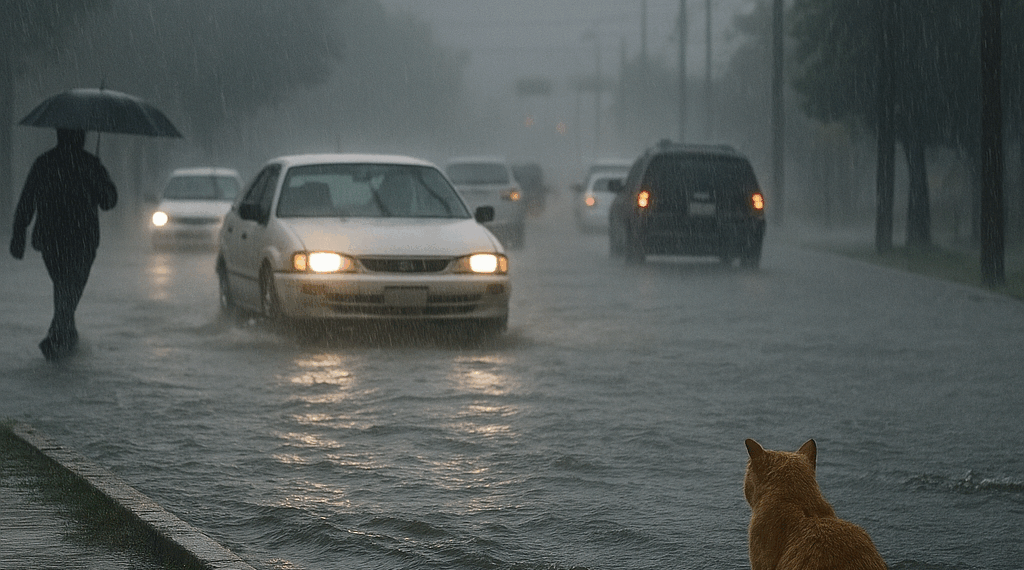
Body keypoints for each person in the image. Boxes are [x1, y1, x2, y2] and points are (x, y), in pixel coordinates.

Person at [8, 128, 117, 361]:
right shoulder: (89, 164)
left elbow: (27, 200)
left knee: (64, 288)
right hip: (81, 240)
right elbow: (109, 202)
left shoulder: (45, 163)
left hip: (53, 239)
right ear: (80, 137)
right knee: (70, 288)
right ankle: (60, 339)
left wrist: (19, 233)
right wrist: (100, 186)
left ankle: (64, 337)